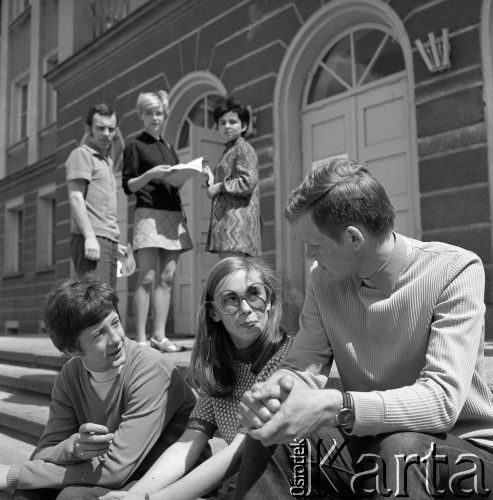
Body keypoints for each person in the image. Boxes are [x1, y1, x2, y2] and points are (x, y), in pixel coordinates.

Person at [236, 159, 493, 499]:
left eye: (314, 244)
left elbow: (442, 402)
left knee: (400, 449)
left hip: (463, 458)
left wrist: (335, 405)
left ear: (353, 238)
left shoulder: (455, 270)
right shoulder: (323, 279)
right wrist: (273, 396)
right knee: (277, 437)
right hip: (372, 446)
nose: (309, 256)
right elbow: (303, 367)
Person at [98, 256, 292, 500]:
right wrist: (134, 495)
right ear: (213, 312)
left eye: (254, 294)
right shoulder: (221, 368)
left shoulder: (287, 360)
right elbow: (187, 444)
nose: (245, 308)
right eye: (231, 299)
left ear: (270, 300)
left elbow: (240, 450)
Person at [0, 276, 206, 500]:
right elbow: (43, 453)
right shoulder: (70, 376)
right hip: (118, 473)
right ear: (72, 350)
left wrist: (12, 473)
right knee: (28, 491)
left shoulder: (149, 367)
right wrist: (71, 448)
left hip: (165, 479)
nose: (116, 338)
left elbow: (115, 470)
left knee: (72, 496)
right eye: (99, 334)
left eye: (115, 322)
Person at [122, 91, 192, 353]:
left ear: (164, 115)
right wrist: (150, 174)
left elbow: (173, 181)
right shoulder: (134, 145)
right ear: (141, 115)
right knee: (148, 277)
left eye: (159, 113)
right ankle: (140, 339)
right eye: (149, 112)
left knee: (168, 276)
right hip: (148, 213)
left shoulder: (169, 147)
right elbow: (128, 185)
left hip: (173, 213)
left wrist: (186, 174)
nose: (154, 117)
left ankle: (159, 336)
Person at [66, 103, 123, 289]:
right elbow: (75, 197)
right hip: (91, 237)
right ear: (87, 129)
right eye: (100, 128)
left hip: (108, 240)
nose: (107, 133)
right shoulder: (81, 155)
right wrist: (90, 236)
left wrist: (114, 243)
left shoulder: (107, 161)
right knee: (93, 303)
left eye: (111, 129)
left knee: (106, 303)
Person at [205, 96, 261, 259]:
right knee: (231, 275)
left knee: (234, 275)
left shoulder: (243, 148)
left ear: (243, 125)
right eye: (222, 123)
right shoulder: (230, 150)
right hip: (226, 225)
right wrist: (211, 180)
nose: (227, 126)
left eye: (232, 122)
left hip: (237, 228)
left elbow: (247, 181)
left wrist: (220, 186)